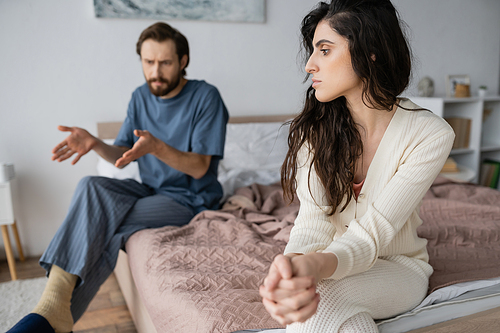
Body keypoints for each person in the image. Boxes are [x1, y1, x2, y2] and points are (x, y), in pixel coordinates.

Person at [9, 22, 228, 333]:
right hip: (148, 190)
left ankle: (49, 314)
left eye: (165, 62)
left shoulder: (206, 97)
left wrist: (158, 148)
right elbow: (123, 157)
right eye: (148, 62)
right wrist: (96, 144)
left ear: (183, 61)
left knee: (108, 227)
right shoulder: (140, 97)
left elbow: (199, 168)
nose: (156, 71)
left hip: (189, 199)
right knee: (91, 185)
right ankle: (54, 316)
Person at [259, 0, 454, 332]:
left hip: (398, 268)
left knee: (318, 298)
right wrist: (291, 268)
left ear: (370, 51)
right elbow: (312, 223)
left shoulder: (430, 134)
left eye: (324, 50)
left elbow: (371, 236)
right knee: (331, 311)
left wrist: (314, 268)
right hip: (331, 261)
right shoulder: (315, 130)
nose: (309, 65)